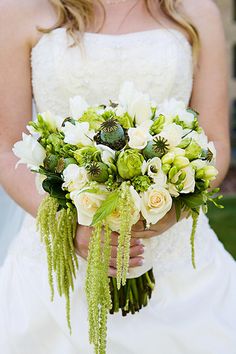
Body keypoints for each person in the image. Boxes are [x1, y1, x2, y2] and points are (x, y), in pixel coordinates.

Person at [0, 0, 235, 353]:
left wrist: (169, 209)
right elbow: (8, 149)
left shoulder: (196, 11)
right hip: (58, 255)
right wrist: (71, 228)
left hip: (176, 261)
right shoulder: (20, 9)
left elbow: (215, 141)